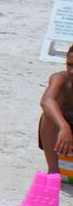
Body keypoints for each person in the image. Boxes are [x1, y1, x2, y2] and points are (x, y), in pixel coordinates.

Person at [38, 44, 73, 175]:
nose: (71, 71)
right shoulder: (60, 79)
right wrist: (64, 127)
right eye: (69, 65)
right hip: (60, 134)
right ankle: (53, 170)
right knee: (48, 116)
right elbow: (46, 100)